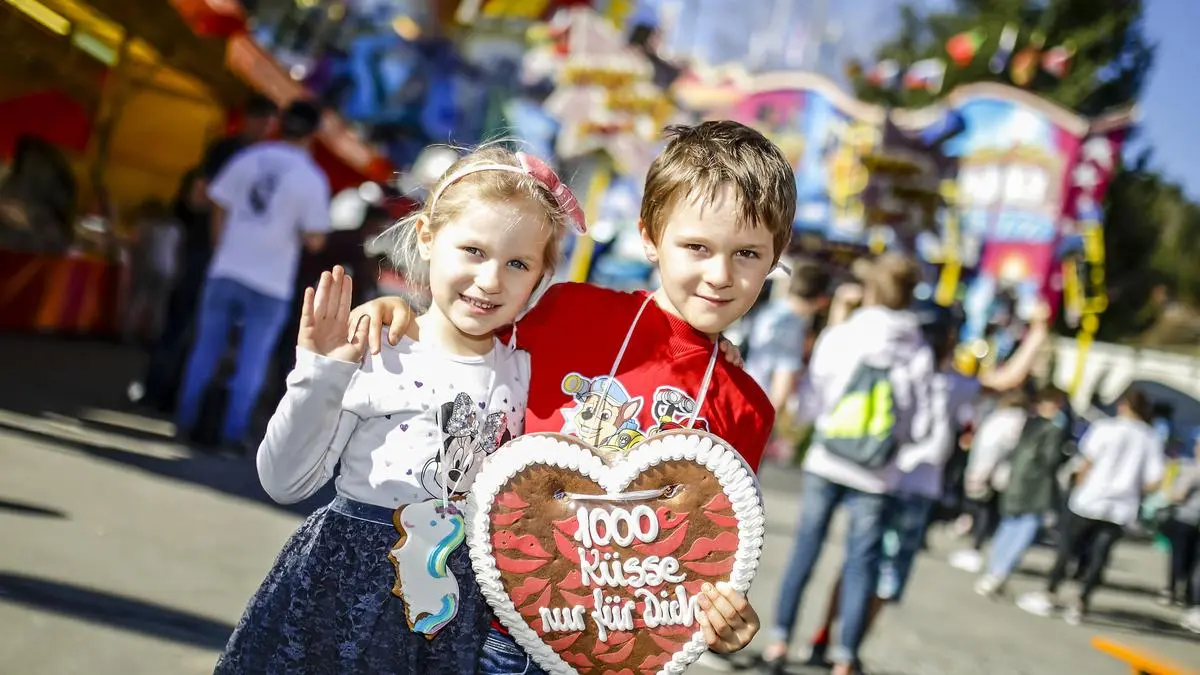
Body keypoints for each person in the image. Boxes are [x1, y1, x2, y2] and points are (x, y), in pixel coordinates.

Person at [351, 120, 797, 673]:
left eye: (748, 254)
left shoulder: (747, 407)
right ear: (650, 237)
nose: (720, 274)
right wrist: (405, 319)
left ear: (777, 254)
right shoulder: (569, 311)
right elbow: (468, 344)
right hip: (478, 624)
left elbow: (708, 550)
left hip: (602, 656)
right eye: (697, 247)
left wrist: (725, 619)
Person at [215, 146, 581, 672]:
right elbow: (284, 481)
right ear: (428, 236)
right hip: (339, 606)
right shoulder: (378, 349)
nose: (490, 280)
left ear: (541, 276)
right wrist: (319, 372)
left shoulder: (526, 371)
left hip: (450, 620)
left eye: (517, 263)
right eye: (473, 250)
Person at [760, 253, 936, 675]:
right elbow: (921, 424)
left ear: (871, 290)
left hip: (827, 458)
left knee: (806, 548)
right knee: (862, 562)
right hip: (878, 473)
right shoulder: (917, 350)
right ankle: (844, 657)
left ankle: (780, 640)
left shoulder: (843, 335)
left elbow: (812, 402)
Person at [175, 100, 331, 452]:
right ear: (313, 134)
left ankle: (185, 422)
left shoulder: (248, 158)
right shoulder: (311, 178)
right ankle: (232, 433)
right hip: (271, 280)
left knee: (205, 349)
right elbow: (315, 238)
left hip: (226, 267)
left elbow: (218, 202)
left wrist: (221, 246)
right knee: (252, 360)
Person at [1017, 388, 1165, 625]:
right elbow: (1155, 480)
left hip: (1090, 498)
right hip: (1121, 506)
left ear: (1123, 405)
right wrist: (1134, 490)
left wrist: (1077, 484)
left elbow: (1087, 461)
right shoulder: (1150, 437)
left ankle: (1050, 592)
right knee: (1100, 555)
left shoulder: (1106, 428)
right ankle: (1081, 600)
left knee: (1067, 548)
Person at [974, 386, 1068, 597]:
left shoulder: (1026, 423)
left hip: (1014, 482)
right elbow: (1051, 460)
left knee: (1007, 527)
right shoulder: (1052, 429)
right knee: (1023, 531)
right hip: (1035, 488)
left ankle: (993, 570)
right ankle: (999, 573)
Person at [743, 258, 830, 413]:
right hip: (757, 408)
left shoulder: (768, 311)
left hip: (743, 395)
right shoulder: (792, 326)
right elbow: (782, 385)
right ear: (822, 300)